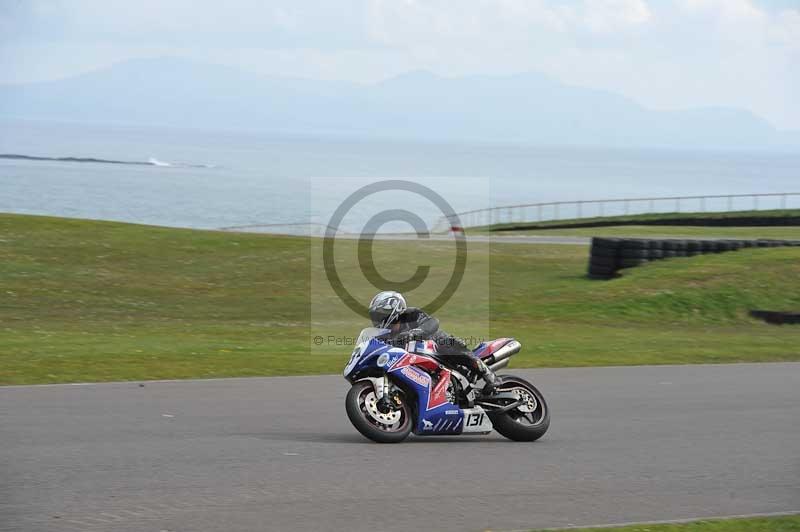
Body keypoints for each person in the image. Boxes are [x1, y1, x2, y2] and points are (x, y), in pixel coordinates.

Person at [367, 290, 499, 394]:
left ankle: (489, 375)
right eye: (375, 317)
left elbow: (432, 323)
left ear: (393, 310)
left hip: (436, 347)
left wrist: (415, 332)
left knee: (447, 343)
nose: (377, 320)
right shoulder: (386, 336)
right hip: (416, 364)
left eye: (379, 315)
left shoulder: (411, 314)